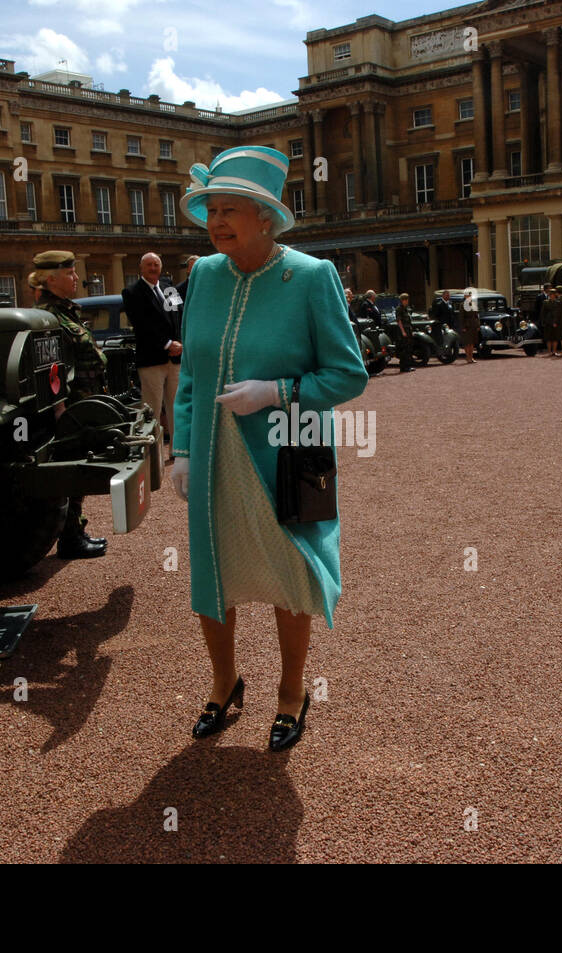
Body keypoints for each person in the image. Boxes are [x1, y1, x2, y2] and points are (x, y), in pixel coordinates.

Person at [171, 145, 367, 751]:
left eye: (231, 209)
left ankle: (291, 691)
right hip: (211, 453)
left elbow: (348, 374)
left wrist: (277, 391)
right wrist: (180, 448)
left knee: (292, 574)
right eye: (211, 209)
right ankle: (225, 683)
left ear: (265, 216)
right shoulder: (203, 275)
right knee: (214, 574)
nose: (217, 220)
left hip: (293, 445)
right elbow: (191, 380)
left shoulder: (312, 276)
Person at [28, 250, 108, 558]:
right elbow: (51, 367)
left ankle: (75, 531)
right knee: (73, 470)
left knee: (80, 466)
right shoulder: (48, 316)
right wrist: (60, 407)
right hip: (71, 403)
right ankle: (71, 536)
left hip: (83, 398)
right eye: (70, 274)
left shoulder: (64, 311)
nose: (77, 278)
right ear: (51, 279)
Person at [123, 252, 182, 461]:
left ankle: (177, 449)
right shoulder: (132, 292)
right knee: (152, 410)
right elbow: (141, 325)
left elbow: (179, 313)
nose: (153, 268)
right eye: (149, 265)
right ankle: (153, 455)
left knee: (176, 406)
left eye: (156, 264)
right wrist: (167, 344)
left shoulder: (168, 286)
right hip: (151, 360)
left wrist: (179, 342)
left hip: (175, 359)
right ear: (141, 268)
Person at [395, 292, 415, 372]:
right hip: (403, 331)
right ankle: (403, 367)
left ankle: (408, 365)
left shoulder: (406, 308)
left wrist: (411, 331)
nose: (407, 301)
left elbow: (409, 321)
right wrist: (403, 331)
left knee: (408, 349)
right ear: (403, 300)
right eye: (406, 300)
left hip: (408, 330)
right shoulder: (399, 309)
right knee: (404, 349)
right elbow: (399, 321)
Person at [461, 290, 480, 363]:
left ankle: (471, 357)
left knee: (472, 342)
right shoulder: (462, 305)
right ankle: (467, 357)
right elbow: (461, 317)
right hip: (467, 325)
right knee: (467, 342)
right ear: (465, 296)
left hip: (473, 325)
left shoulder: (473, 304)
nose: (469, 296)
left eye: (470, 295)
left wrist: (478, 325)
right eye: (468, 295)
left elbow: (476, 316)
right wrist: (463, 327)